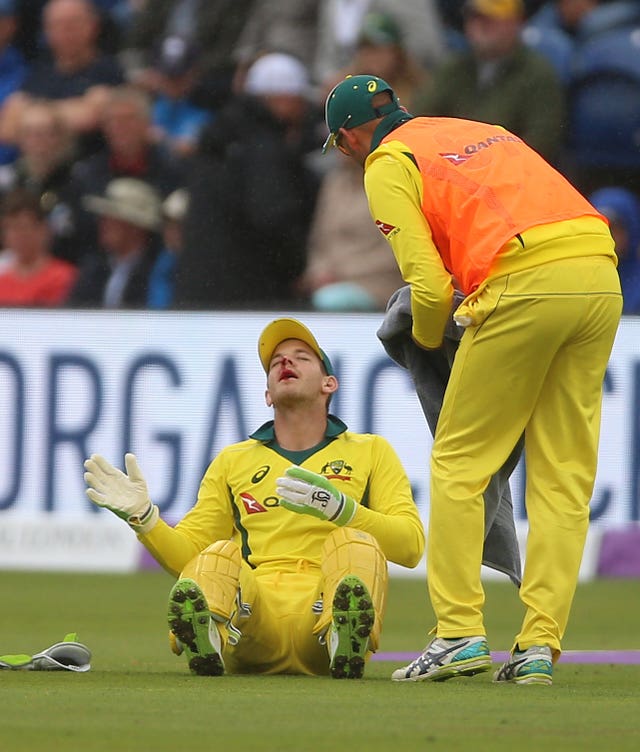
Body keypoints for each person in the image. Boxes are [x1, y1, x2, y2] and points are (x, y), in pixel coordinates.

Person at [322, 74, 622, 685]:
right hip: (598, 271)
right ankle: (539, 647)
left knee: (459, 463)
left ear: (351, 136)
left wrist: (430, 346)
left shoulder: (386, 162)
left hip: (522, 281)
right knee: (563, 477)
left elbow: (429, 287)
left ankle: (459, 633)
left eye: (343, 146)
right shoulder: (476, 130)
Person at [83, 317, 425, 678]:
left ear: (330, 384)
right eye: (276, 361)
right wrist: (146, 519)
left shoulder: (371, 450)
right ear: (267, 395)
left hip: (324, 609)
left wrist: (342, 510)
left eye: (301, 357)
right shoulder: (234, 460)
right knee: (218, 555)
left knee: (354, 544)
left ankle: (343, 636)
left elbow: (410, 545)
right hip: (255, 619)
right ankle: (210, 636)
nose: (285, 362)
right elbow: (190, 555)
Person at [175, 53, 321, 309]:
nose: (304, 109)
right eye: (299, 100)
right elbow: (273, 217)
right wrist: (298, 266)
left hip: (198, 286)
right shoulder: (264, 148)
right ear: (283, 100)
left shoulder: (217, 140)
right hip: (247, 292)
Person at [414, 0, 565, 164]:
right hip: (449, 168)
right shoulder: (453, 69)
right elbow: (420, 119)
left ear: (515, 23)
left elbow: (540, 142)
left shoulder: (537, 74)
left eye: (490, 19)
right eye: (474, 17)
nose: (479, 26)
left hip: (508, 173)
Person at [0, 0, 124, 157]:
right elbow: (7, 128)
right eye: (56, 25)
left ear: (93, 26)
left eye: (72, 24)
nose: (64, 32)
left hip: (89, 165)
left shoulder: (108, 71)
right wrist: (74, 109)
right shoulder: (39, 72)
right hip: (37, 170)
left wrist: (31, 116)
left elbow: (90, 117)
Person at [67, 177, 162, 308]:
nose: (103, 224)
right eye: (104, 218)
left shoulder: (157, 270)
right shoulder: (94, 269)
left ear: (135, 227)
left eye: (113, 219)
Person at [0, 189, 77, 306]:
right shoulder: (2, 280)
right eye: (11, 228)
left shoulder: (64, 278)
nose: (18, 236)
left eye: (24, 227)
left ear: (43, 229)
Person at [589, 187, 640, 315]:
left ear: (631, 228)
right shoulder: (579, 279)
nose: (606, 235)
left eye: (613, 227)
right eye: (599, 227)